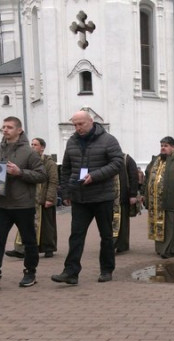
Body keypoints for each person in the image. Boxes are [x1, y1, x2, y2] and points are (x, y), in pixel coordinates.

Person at [0, 116, 46, 289]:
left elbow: (41, 175)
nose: (5, 130)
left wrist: (20, 172)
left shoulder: (29, 152)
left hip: (23, 205)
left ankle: (30, 273)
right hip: (2, 205)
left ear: (19, 130)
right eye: (3, 127)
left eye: (9, 127)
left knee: (29, 241)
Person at [51, 110, 123, 285]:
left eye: (80, 124)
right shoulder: (72, 141)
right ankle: (71, 272)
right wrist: (67, 192)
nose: (77, 128)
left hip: (102, 197)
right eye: (74, 125)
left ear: (91, 121)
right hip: (80, 198)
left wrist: (95, 176)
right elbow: (66, 168)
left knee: (106, 235)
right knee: (76, 236)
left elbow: (117, 163)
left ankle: (106, 270)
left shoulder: (108, 140)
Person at [5, 137, 59, 259]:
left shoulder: (49, 163)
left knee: (47, 225)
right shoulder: (28, 160)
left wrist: (49, 198)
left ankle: (48, 248)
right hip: (29, 198)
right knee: (26, 224)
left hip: (43, 198)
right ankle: (21, 249)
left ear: (42, 147)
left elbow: (53, 181)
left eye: (35, 144)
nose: (33, 146)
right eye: (32, 144)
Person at [114, 152, 139, 253]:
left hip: (122, 196)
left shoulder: (127, 159)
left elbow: (134, 177)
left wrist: (133, 194)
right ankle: (111, 243)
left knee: (123, 222)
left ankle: (122, 244)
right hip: (108, 197)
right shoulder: (105, 158)